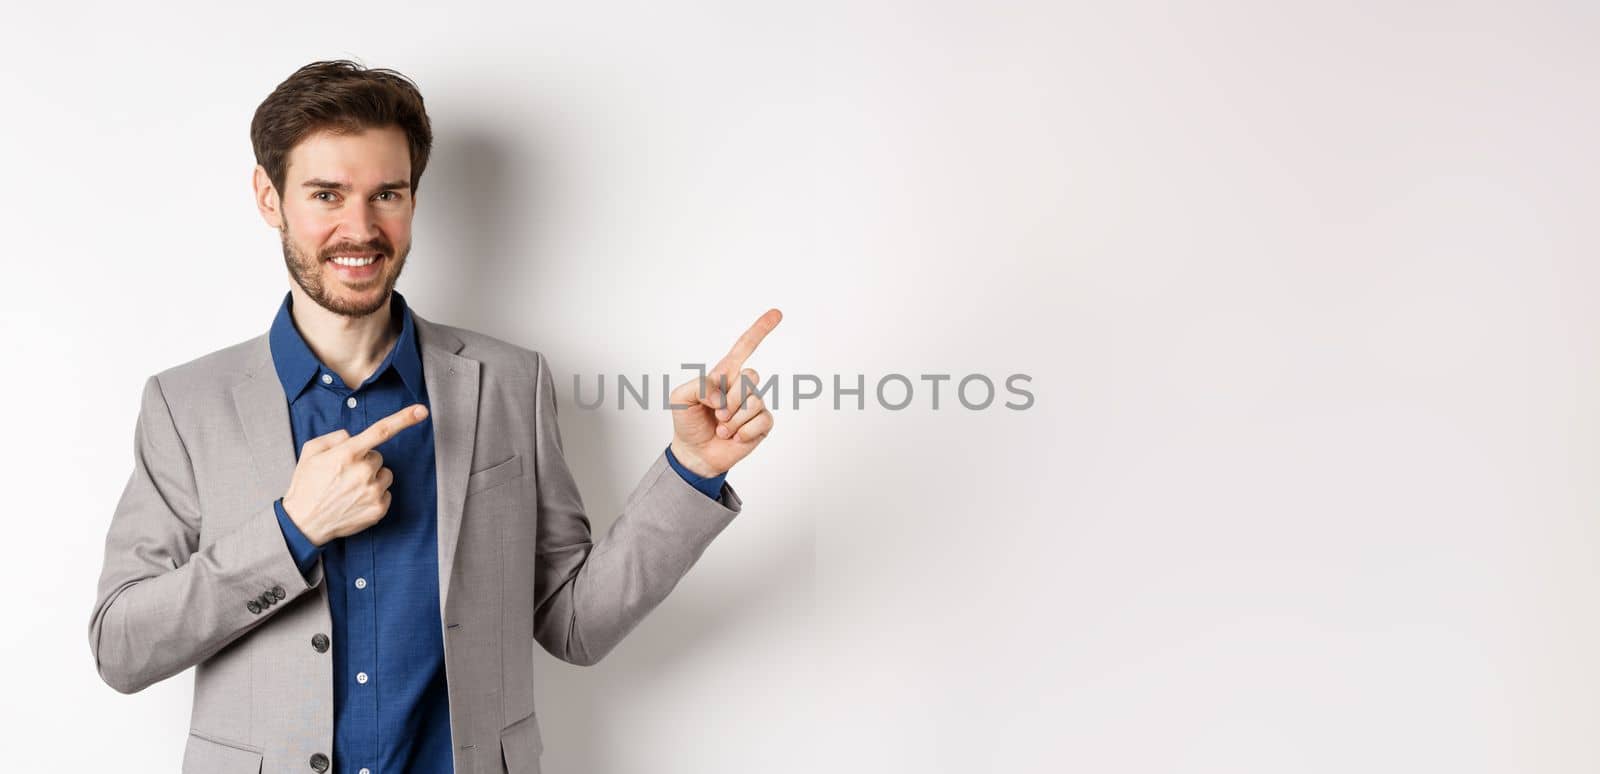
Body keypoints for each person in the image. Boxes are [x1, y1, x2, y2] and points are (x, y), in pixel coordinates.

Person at [87, 59, 780, 774]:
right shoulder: (186, 405)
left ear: (413, 198)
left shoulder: (510, 381)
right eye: (326, 194)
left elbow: (575, 625)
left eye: (385, 194)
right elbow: (122, 647)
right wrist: (293, 531)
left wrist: (693, 469)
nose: (360, 229)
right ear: (270, 196)